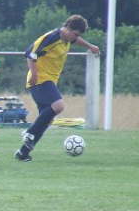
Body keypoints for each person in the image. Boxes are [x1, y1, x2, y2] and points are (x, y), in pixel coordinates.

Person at [15, 15, 100, 161]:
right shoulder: (51, 37)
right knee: (58, 106)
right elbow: (29, 53)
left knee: (45, 121)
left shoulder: (67, 38)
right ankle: (29, 131)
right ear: (67, 28)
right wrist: (34, 75)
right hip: (40, 80)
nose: (76, 37)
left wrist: (90, 46)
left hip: (49, 81)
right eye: (75, 33)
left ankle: (23, 153)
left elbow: (76, 40)